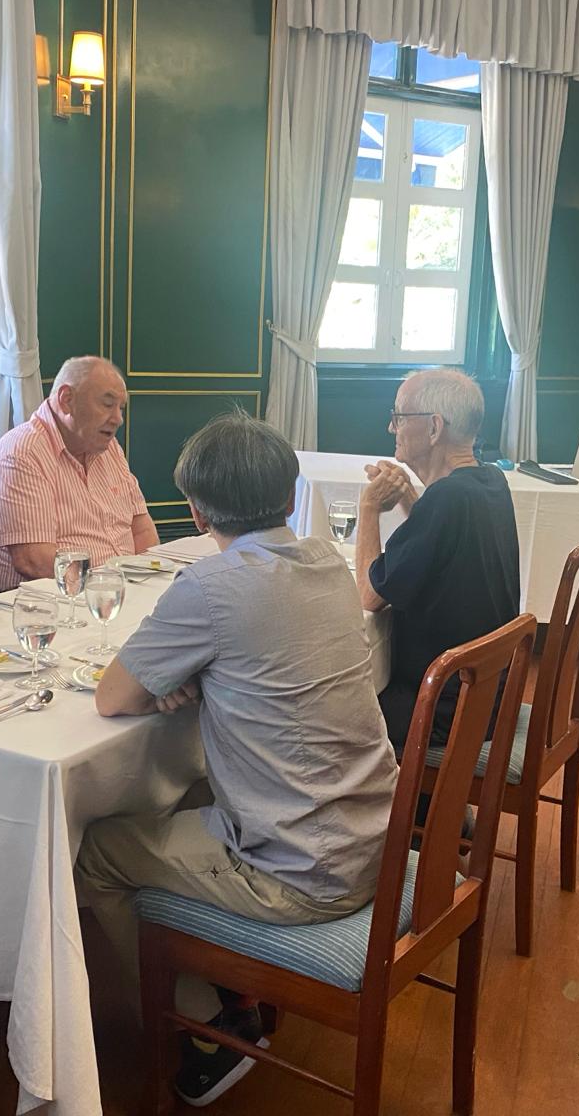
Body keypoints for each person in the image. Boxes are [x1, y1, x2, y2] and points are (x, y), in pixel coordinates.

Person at [76, 412, 398, 1107]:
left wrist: (177, 678)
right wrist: (199, 675)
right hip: (380, 840)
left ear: (196, 512)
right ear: (290, 496)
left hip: (305, 874)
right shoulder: (327, 562)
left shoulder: (210, 586)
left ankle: (207, 1028)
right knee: (189, 790)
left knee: (95, 854)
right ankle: (227, 984)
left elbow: (111, 696)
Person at [352, 367, 520, 754]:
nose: (391, 428)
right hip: (483, 695)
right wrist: (410, 495)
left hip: (438, 708)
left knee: (325, 710)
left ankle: (385, 793)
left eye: (399, 417)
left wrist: (369, 509)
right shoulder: (489, 481)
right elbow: (440, 544)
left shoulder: (447, 499)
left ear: (433, 428)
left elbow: (368, 596)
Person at [0, 356, 158, 591]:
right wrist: (104, 590)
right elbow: (34, 561)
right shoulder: (21, 453)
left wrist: (149, 586)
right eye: (107, 404)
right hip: (44, 601)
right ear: (66, 400)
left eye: (120, 408)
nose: (118, 419)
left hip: (119, 591)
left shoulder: (109, 448)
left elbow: (142, 529)